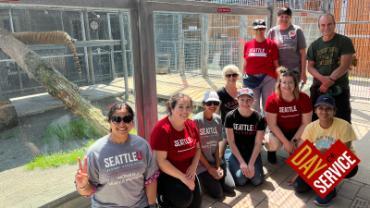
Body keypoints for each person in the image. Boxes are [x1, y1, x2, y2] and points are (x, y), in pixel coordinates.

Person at [74, 103, 159, 208]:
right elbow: (88, 190)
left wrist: (152, 205)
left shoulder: (142, 145)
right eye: (116, 119)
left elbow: (150, 179)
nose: (122, 123)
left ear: (132, 122)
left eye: (127, 119)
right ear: (109, 122)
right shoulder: (95, 152)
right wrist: (83, 186)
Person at [294, 94, 358, 206]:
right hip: (319, 159)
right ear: (315, 110)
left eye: (328, 108)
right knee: (299, 188)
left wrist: (320, 153)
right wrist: (300, 171)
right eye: (321, 108)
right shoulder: (311, 127)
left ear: (334, 111)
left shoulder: (344, 126)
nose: (324, 111)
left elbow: (344, 151)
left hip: (340, 159)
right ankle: (318, 181)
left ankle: (330, 190)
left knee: (346, 165)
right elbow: (302, 149)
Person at [150, 93, 202, 208]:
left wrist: (193, 167)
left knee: (196, 204)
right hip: (168, 175)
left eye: (188, 107)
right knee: (183, 200)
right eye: (181, 106)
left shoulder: (191, 124)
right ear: (171, 108)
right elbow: (162, 162)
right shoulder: (162, 129)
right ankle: (163, 199)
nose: (185, 110)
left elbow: (198, 149)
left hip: (188, 171)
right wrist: (184, 179)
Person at [307, 13, 355, 123]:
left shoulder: (344, 41)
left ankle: (340, 141)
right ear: (319, 26)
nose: (326, 28)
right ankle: (317, 141)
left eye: (329, 24)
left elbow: (345, 65)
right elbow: (310, 67)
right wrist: (323, 80)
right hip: (319, 88)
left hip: (340, 88)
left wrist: (330, 80)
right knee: (314, 121)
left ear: (334, 24)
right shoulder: (314, 45)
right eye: (323, 25)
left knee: (342, 122)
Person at [264, 67, 312, 164]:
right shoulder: (272, 100)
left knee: (306, 144)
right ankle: (271, 152)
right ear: (279, 84)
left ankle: (294, 153)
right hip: (280, 130)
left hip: (297, 130)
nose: (287, 85)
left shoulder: (304, 98)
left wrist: (293, 142)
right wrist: (286, 143)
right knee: (272, 143)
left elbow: (306, 123)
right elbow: (272, 125)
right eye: (284, 82)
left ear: (295, 84)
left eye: (290, 82)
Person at [193, 91, 235, 199]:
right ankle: (203, 179)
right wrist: (210, 169)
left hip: (214, 161)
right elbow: (196, 149)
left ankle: (215, 177)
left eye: (215, 103)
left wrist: (217, 166)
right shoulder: (196, 121)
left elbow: (216, 144)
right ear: (203, 104)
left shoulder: (217, 119)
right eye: (209, 103)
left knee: (230, 188)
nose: (212, 106)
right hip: (202, 164)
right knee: (218, 194)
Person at [225, 88, 266, 186]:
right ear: (237, 100)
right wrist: (242, 163)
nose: (245, 103)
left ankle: (255, 165)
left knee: (257, 181)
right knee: (241, 180)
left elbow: (258, 143)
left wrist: (251, 164)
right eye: (242, 99)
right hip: (236, 153)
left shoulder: (259, 118)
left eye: (248, 100)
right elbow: (231, 141)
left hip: (252, 153)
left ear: (253, 101)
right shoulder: (230, 116)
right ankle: (228, 159)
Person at [243, 19, 279, 113]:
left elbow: (276, 64)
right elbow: (245, 62)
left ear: (265, 29)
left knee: (268, 104)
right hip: (251, 79)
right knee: (253, 105)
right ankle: (257, 127)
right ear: (253, 30)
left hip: (268, 78)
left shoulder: (272, 44)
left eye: (262, 29)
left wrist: (279, 79)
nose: (259, 31)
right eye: (257, 29)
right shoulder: (248, 45)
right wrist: (243, 77)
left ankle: (268, 125)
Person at [267, 7, 307, 84]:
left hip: (294, 71)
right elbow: (268, 53)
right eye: (281, 16)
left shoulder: (297, 30)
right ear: (277, 17)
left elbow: (303, 53)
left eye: (287, 17)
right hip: (278, 71)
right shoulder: (272, 32)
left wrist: (303, 73)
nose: (284, 19)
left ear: (290, 18)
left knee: (293, 94)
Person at [217, 64, 240, 157]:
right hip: (226, 124)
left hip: (240, 123)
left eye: (234, 75)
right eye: (228, 75)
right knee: (225, 136)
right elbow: (216, 113)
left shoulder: (241, 90)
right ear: (224, 77)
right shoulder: (220, 93)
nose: (231, 77)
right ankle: (219, 159)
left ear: (238, 76)